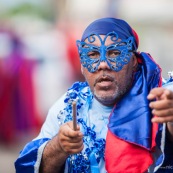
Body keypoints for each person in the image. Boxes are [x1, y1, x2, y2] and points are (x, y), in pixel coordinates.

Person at [15, 17, 173, 173]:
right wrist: (59, 146)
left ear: (133, 61)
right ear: (82, 66)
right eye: (92, 55)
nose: (103, 64)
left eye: (115, 53)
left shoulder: (161, 98)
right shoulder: (67, 107)